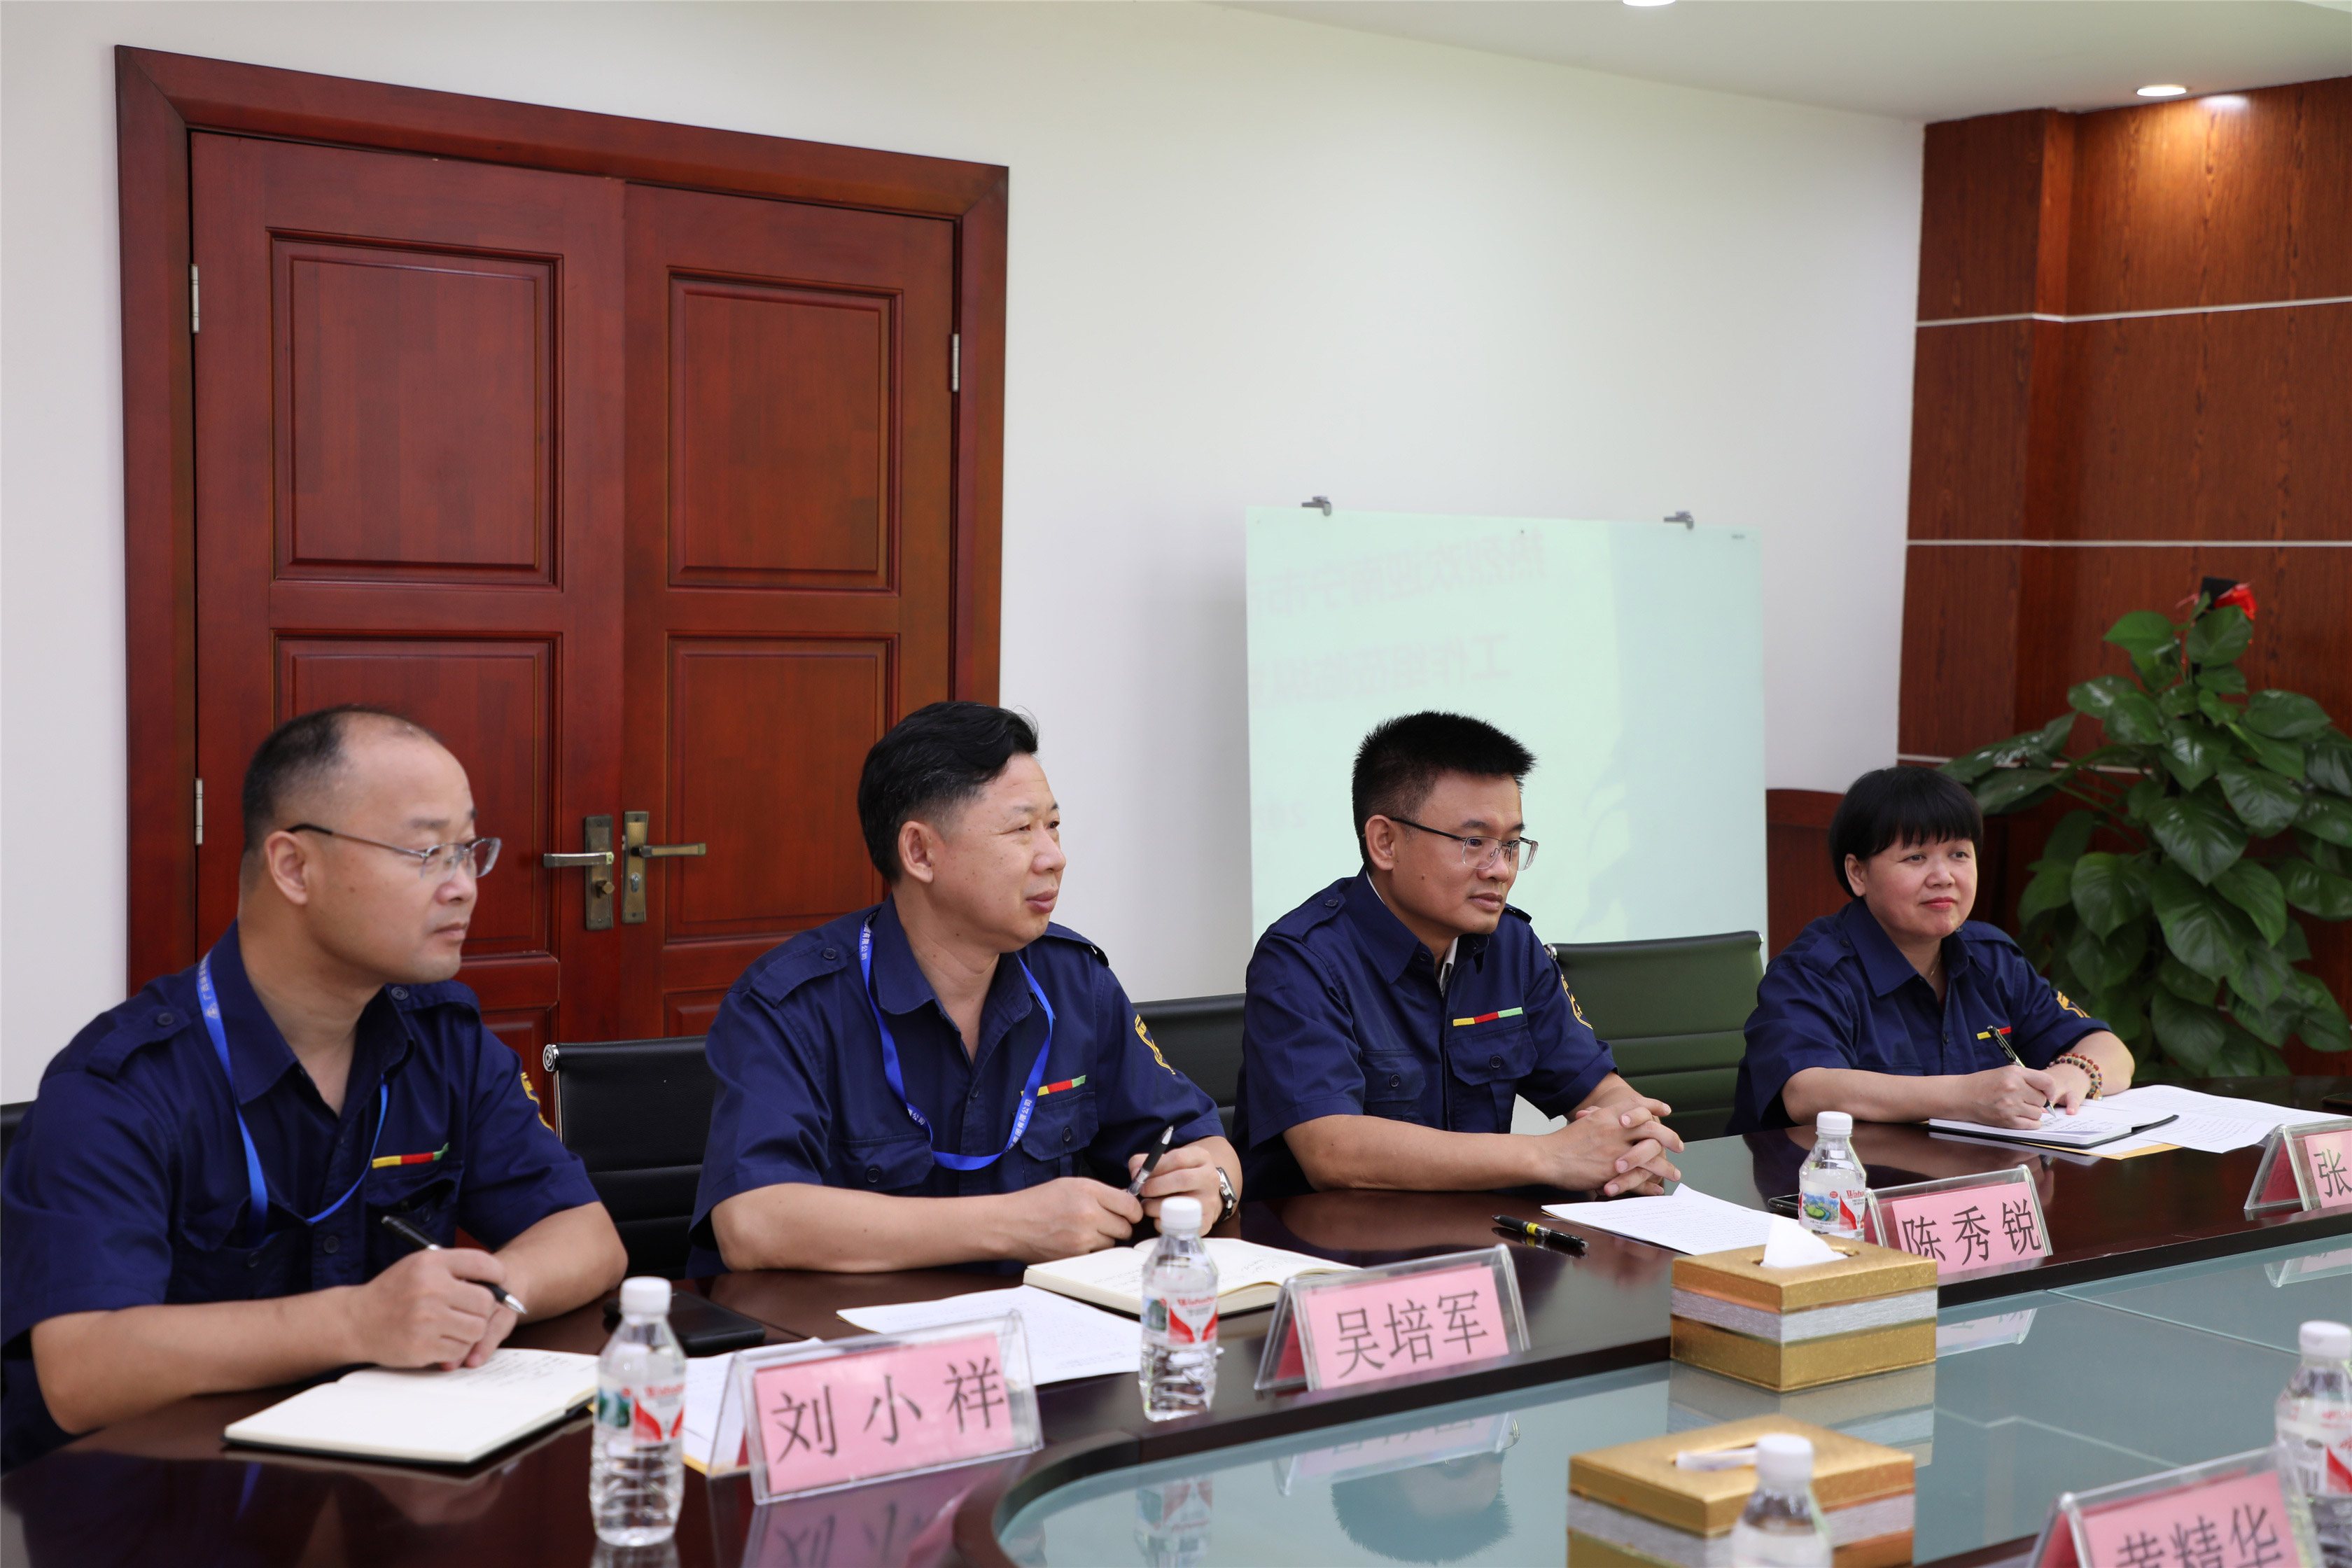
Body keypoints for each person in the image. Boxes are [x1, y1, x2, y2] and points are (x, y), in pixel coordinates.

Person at [1, 706, 626, 1471]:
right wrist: (358, 1322)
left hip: (378, 1481)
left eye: (468, 850)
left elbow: (586, 1235)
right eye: (427, 851)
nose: (463, 887)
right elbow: (81, 1368)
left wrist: (495, 1295)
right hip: (163, 1497)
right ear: (295, 867)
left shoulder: (443, 1040)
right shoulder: (120, 1087)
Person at [691, 703, 1238, 1274]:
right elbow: (751, 1223)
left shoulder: (1074, 980)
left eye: (1053, 826)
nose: (1054, 857)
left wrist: (1213, 1186)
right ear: (920, 852)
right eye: (1021, 830)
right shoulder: (792, 1005)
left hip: (1047, 1323)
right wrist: (1013, 1224)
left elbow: (1203, 1142)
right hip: (850, 1328)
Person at [1234, 711, 1683, 1201]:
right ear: (1385, 842)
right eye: (1474, 843)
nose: (1500, 870)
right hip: (1331, 1243)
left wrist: (1630, 1136)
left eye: (1511, 844)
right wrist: (1549, 1155)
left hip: (1484, 1234)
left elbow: (1597, 1085)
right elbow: (1333, 1151)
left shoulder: (1512, 945)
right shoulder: (1301, 960)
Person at [1729, 766, 2135, 1134]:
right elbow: (1807, 1092)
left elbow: (2111, 1051)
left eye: (1959, 854)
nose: (1943, 877)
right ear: (1858, 873)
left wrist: (2070, 1077)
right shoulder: (1812, 971)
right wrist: (1966, 1096)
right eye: (1916, 857)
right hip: (1829, 1186)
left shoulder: (1991, 957)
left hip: (1970, 1179)